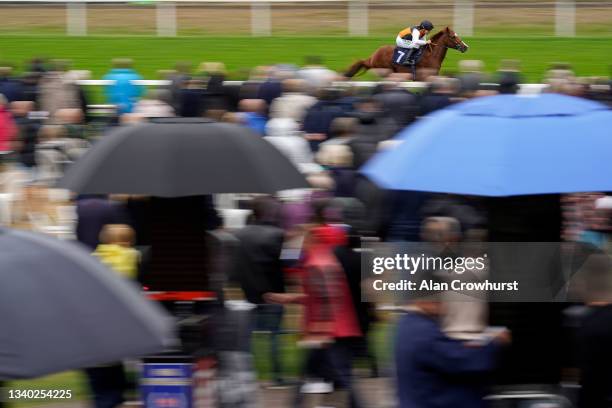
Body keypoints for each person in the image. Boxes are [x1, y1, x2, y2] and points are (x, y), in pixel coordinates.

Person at [395, 292, 509, 408]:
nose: (445, 308)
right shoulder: (422, 332)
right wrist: (494, 343)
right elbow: (460, 361)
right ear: (427, 302)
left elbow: (446, 352)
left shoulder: (406, 324)